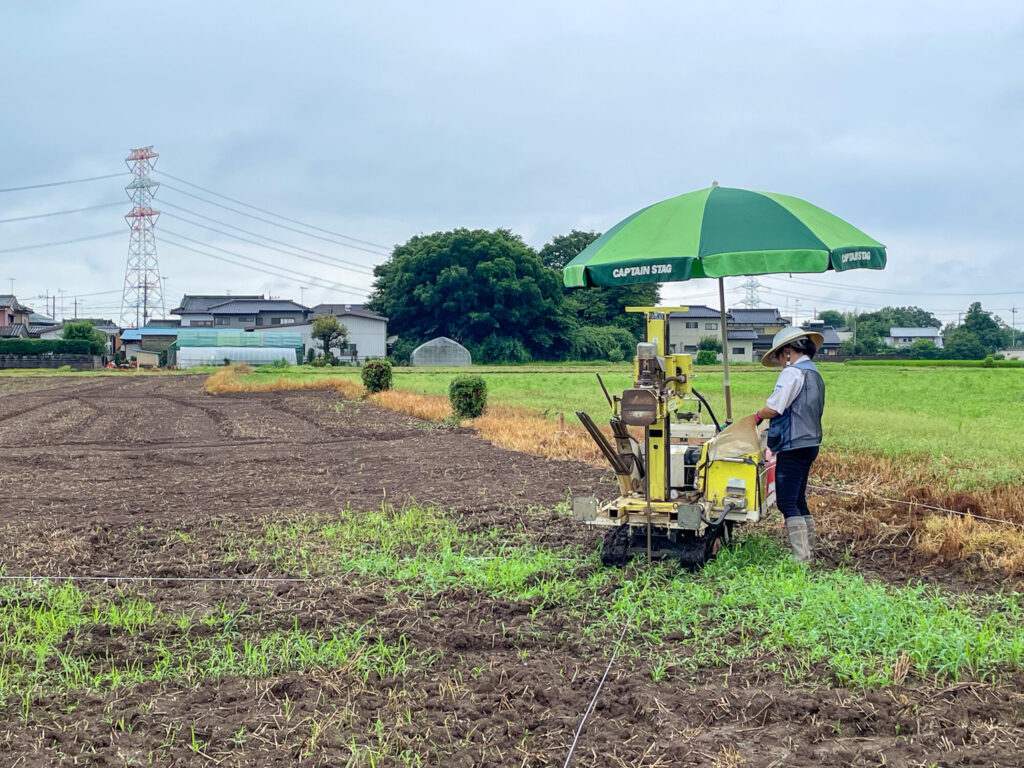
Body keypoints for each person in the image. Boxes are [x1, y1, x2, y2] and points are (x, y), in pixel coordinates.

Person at [754, 326, 825, 563]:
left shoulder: (792, 373)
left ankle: (800, 559)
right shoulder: (814, 373)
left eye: (779, 356)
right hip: (810, 443)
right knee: (798, 499)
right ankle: (809, 552)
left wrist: (757, 416)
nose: (780, 361)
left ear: (786, 352)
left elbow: (774, 408)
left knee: (786, 501)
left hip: (793, 444)